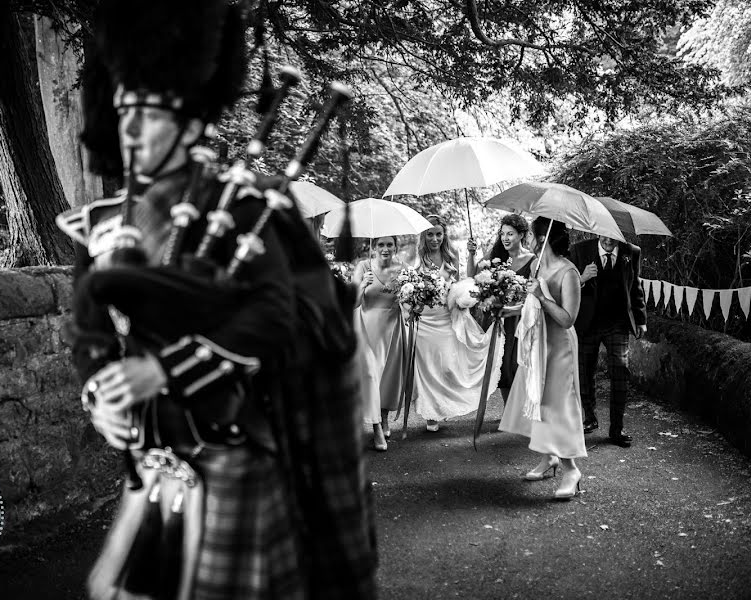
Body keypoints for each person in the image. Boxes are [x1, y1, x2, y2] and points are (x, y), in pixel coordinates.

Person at [60, 2, 376, 598]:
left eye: (147, 115)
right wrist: (100, 392)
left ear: (190, 120)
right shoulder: (101, 224)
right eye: (124, 112)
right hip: (150, 463)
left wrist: (163, 370)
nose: (128, 131)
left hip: (234, 449)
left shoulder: (250, 208)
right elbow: (90, 330)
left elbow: (295, 320)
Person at [499, 218, 586, 500]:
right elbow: (529, 303)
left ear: (539, 237)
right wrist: (506, 310)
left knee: (558, 406)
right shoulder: (537, 265)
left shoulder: (568, 272)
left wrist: (542, 296)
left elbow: (568, 318)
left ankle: (571, 469)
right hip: (537, 343)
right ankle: (548, 457)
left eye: (532, 236)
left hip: (559, 345)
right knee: (537, 401)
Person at [570, 234, 647, 447]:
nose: (609, 242)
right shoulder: (579, 250)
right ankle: (589, 418)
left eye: (614, 238)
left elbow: (635, 286)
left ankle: (617, 428)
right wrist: (582, 277)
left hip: (618, 324)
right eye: (605, 236)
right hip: (587, 323)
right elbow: (565, 285)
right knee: (584, 372)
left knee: (621, 371)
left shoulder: (631, 252)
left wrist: (640, 319)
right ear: (597, 232)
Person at [412, 215, 477, 431]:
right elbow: (413, 287)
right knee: (429, 367)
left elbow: (460, 283)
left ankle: (442, 405)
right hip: (426, 320)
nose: (435, 238)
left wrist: (470, 254)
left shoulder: (451, 254)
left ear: (444, 234)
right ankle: (432, 414)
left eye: (439, 233)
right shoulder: (418, 258)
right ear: (424, 235)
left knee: (447, 366)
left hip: (445, 316)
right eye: (430, 234)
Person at [467, 215, 535, 405]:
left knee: (518, 362)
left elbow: (534, 290)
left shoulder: (532, 260)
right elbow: (472, 276)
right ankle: (508, 410)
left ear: (521, 235)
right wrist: (471, 254)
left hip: (520, 317)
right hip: (499, 317)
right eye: (503, 233)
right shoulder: (496, 256)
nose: (505, 238)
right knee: (503, 364)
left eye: (510, 234)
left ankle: (522, 408)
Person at [353, 236, 405, 450]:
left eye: (389, 244)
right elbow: (353, 303)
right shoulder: (363, 266)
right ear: (373, 247)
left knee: (389, 379)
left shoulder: (403, 268)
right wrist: (361, 286)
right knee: (372, 376)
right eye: (380, 245)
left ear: (395, 247)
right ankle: (376, 429)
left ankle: (383, 419)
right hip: (367, 328)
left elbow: (410, 300)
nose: (385, 249)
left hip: (393, 328)